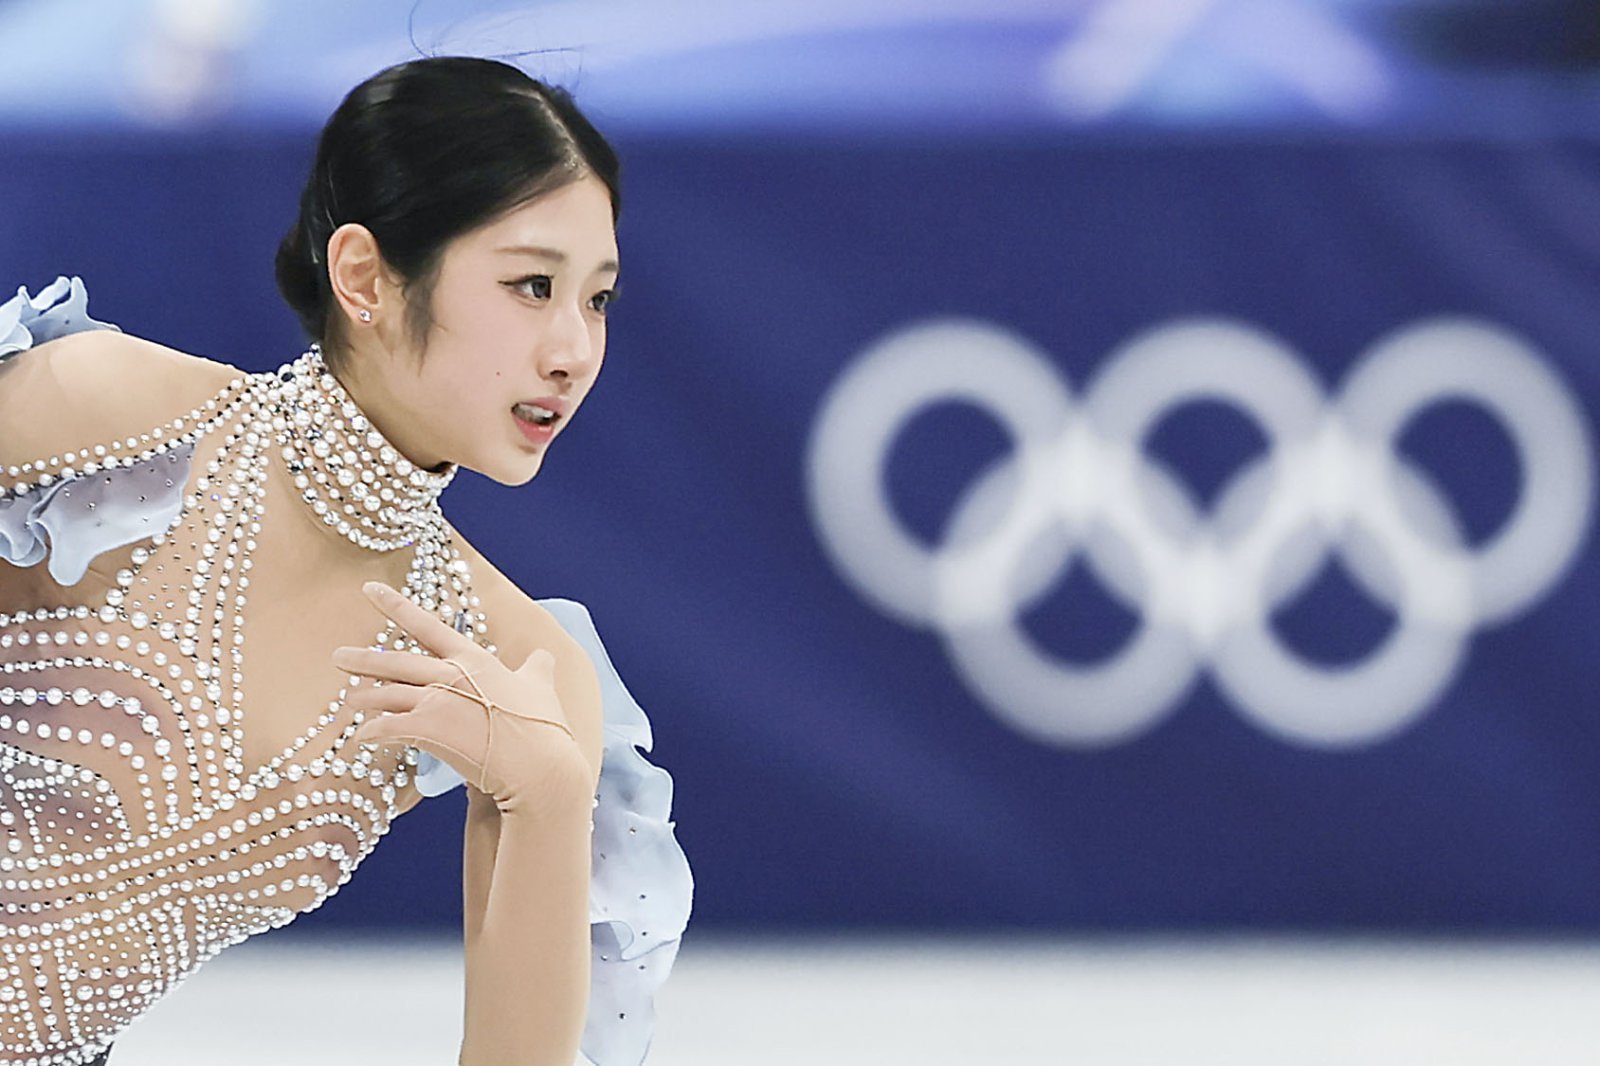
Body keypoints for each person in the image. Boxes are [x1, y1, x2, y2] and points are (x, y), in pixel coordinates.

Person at [0, 56, 692, 1066]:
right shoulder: (123, 423)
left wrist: (544, 798)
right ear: (365, 276)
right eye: (531, 285)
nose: (572, 349)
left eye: (597, 299)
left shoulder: (515, 666)